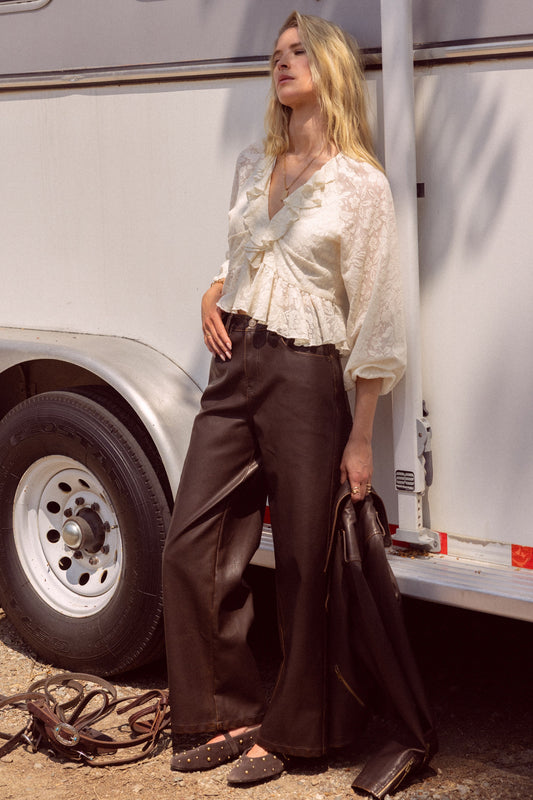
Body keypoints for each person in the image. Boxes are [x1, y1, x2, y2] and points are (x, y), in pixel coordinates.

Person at [162, 10, 406, 787]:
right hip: (233, 363)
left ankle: (295, 732)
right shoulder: (253, 162)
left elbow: (375, 313)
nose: (283, 62)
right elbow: (244, 251)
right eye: (276, 54)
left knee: (304, 559)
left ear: (331, 69)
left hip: (307, 374)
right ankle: (224, 710)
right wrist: (212, 287)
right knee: (190, 543)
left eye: (299, 52)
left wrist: (360, 436)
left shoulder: (359, 184)